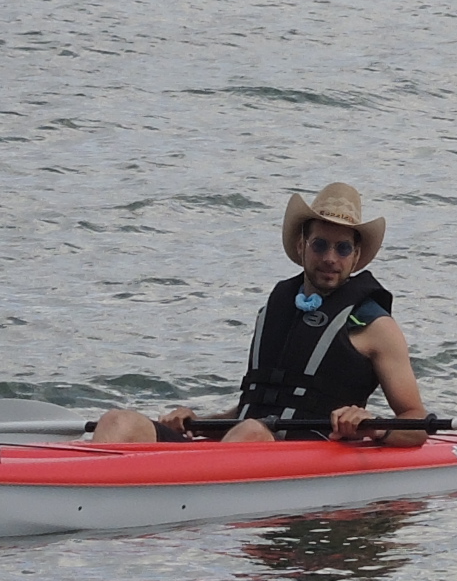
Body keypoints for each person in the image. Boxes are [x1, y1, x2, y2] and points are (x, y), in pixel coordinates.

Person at [93, 183, 430, 444]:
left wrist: (372, 428)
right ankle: (95, 492)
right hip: (247, 439)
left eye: (342, 248)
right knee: (117, 421)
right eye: (320, 244)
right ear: (302, 246)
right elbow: (254, 407)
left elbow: (416, 422)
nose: (330, 257)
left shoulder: (375, 325)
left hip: (309, 448)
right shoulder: (277, 308)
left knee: (251, 432)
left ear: (356, 257)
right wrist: (197, 422)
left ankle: (192, 509)